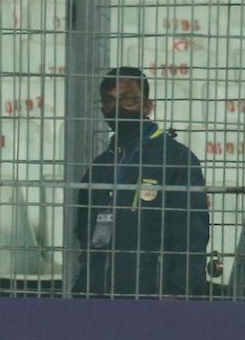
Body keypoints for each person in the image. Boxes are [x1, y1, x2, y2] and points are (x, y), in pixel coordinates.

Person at [73, 66, 209, 299]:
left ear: (147, 105)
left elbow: (191, 236)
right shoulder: (100, 166)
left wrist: (179, 294)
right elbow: (84, 231)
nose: (116, 109)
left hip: (153, 300)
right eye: (109, 101)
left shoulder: (176, 159)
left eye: (127, 100)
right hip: (96, 298)